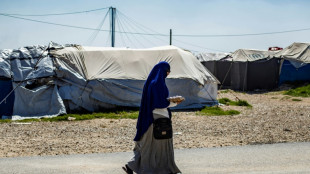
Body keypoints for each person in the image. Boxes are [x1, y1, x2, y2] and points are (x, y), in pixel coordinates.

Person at [123, 61, 183, 174]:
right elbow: (158, 103)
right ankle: (161, 170)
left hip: (152, 119)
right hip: (157, 119)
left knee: (147, 146)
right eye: (167, 71)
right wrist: (174, 103)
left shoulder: (151, 83)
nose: (168, 74)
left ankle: (131, 166)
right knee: (157, 147)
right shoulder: (157, 84)